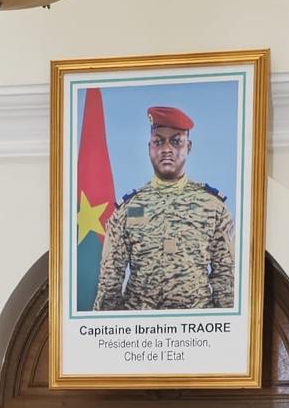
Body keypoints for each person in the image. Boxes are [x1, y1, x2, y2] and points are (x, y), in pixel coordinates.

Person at [94, 104, 236, 311]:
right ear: (149, 148)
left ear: (189, 147)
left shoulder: (213, 208)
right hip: (140, 324)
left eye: (176, 141)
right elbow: (110, 280)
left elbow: (226, 279)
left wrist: (227, 327)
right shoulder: (128, 209)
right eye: (158, 142)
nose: (166, 149)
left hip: (196, 325)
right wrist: (105, 328)